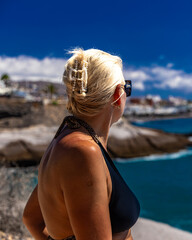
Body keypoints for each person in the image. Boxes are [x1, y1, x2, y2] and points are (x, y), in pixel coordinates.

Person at [22, 49, 140, 240]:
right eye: (127, 88)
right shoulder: (83, 151)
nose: (127, 93)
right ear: (117, 94)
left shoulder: (66, 139)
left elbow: (31, 218)